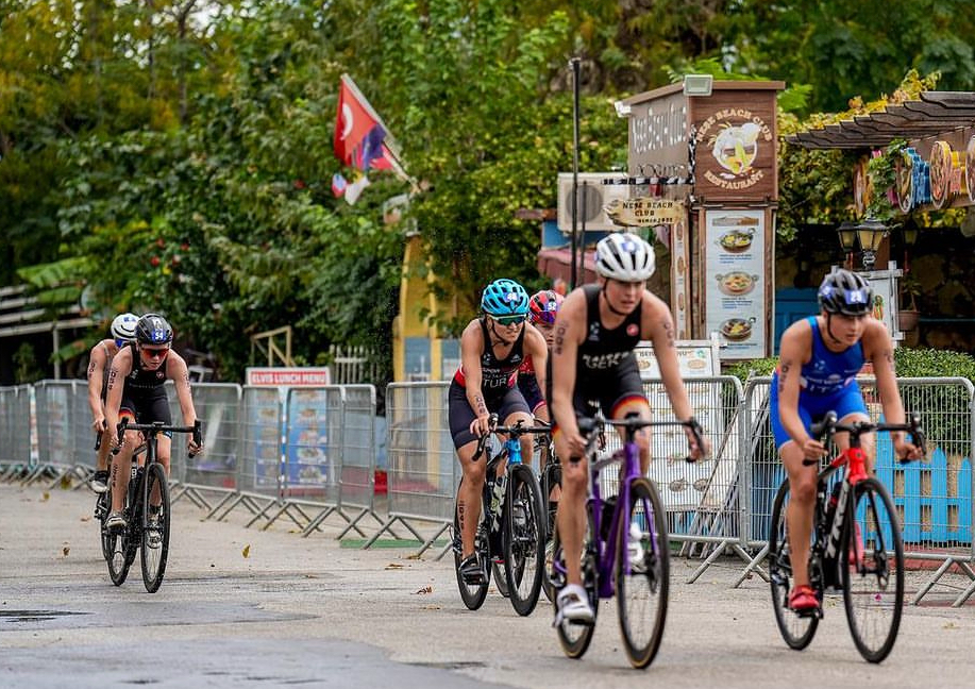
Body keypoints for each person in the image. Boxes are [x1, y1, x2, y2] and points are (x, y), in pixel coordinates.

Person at [550, 232, 708, 623]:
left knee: (641, 440)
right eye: (623, 282)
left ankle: (625, 524)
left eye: (639, 283)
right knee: (575, 471)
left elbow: (674, 382)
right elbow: (559, 393)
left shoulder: (655, 313)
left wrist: (690, 424)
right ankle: (571, 586)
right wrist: (570, 431)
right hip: (575, 384)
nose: (631, 292)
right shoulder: (575, 310)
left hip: (619, 375)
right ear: (603, 280)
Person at [772, 268, 920, 613]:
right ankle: (801, 585)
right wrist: (800, 438)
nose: (854, 326)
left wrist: (899, 437)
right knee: (805, 483)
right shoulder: (799, 337)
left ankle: (846, 502)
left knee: (863, 452)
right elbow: (788, 409)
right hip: (799, 405)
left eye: (861, 315)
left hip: (841, 395)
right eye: (845, 317)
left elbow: (890, 395)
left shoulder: (875, 335)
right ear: (826, 313)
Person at [451, 278, 549, 584]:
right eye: (505, 321)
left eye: (518, 319)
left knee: (528, 437)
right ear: (488, 319)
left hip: (507, 393)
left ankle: (514, 503)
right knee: (476, 468)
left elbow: (546, 387)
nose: (513, 327)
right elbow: (473, 385)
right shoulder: (474, 334)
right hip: (468, 398)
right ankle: (468, 554)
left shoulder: (531, 337)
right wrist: (483, 417)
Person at [104, 313, 202, 529]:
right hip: (127, 399)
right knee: (127, 439)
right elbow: (111, 407)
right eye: (150, 352)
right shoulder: (124, 359)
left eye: (162, 352)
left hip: (155, 399)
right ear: (138, 345)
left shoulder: (176, 362)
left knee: (164, 456)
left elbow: (188, 408)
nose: (157, 358)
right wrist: (114, 434)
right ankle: (116, 510)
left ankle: (153, 512)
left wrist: (193, 436)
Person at [86, 313, 139, 495]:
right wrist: (98, 415)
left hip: (129, 396)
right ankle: (101, 470)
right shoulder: (102, 352)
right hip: (106, 397)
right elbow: (94, 389)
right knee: (110, 424)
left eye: (130, 344)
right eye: (120, 343)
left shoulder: (140, 354)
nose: (124, 348)